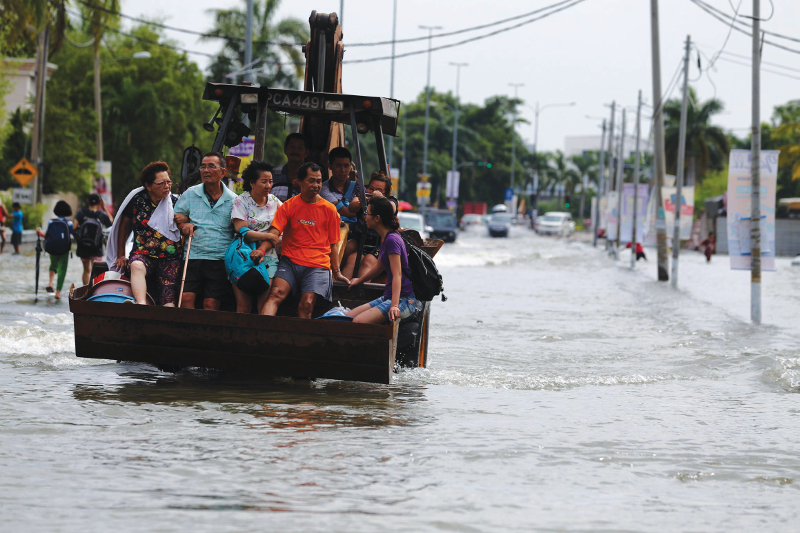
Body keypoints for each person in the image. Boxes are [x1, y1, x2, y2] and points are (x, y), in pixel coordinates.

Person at [261, 162, 349, 318]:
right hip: (290, 261)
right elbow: (274, 233)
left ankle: (301, 342)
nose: (316, 185)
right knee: (275, 294)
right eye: (311, 180)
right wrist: (261, 250)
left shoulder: (329, 210)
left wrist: (337, 272)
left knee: (307, 303)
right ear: (299, 182)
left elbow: (333, 245)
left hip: (318, 265)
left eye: (319, 181)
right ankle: (260, 336)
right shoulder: (289, 206)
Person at [113, 162, 183, 306]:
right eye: (161, 183)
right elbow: (124, 226)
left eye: (169, 182)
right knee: (136, 265)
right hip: (143, 254)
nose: (167, 186)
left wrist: (185, 221)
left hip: (170, 258)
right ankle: (141, 305)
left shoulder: (176, 203)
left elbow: (183, 226)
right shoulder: (136, 200)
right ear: (149, 185)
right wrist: (121, 255)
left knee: (168, 303)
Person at [174, 152, 236, 310]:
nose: (205, 170)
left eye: (211, 167)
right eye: (203, 167)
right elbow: (178, 217)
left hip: (219, 259)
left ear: (222, 172)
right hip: (193, 255)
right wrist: (184, 226)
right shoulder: (190, 193)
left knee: (211, 303)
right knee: (186, 299)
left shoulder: (234, 200)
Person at [347, 196, 417, 324]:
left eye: (367, 213)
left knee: (358, 322)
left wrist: (394, 306)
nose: (365, 217)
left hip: (404, 299)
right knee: (347, 317)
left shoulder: (392, 240)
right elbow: (380, 265)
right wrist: (360, 280)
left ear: (377, 218)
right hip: (388, 296)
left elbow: (397, 274)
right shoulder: (385, 237)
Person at [228, 160, 282, 313]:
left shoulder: (274, 201)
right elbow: (243, 232)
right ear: (252, 183)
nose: (268, 186)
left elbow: (288, 215)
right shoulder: (241, 201)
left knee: (264, 304)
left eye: (270, 181)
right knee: (243, 305)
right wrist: (268, 237)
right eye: (263, 181)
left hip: (268, 257)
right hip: (243, 256)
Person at [341, 171, 392, 279]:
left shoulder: (390, 202)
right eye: (371, 188)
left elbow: (392, 207)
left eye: (378, 191)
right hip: (360, 240)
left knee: (367, 262)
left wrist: (379, 201)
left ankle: (362, 293)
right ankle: (341, 289)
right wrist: (362, 202)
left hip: (379, 244)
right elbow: (352, 207)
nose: (373, 192)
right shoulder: (362, 198)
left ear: (386, 194)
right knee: (351, 258)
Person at [75, 193, 113, 285]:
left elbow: (74, 227)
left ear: (88, 201)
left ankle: (85, 291)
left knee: (86, 270)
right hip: (97, 246)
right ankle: (95, 291)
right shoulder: (101, 214)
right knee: (96, 271)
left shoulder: (81, 212)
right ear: (100, 202)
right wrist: (104, 208)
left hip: (83, 246)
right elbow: (112, 222)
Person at [42, 201, 74, 299]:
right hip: (64, 249)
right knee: (62, 269)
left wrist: (39, 232)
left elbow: (47, 236)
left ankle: (50, 283)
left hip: (52, 248)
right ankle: (58, 292)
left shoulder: (51, 221)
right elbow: (75, 233)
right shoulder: (69, 223)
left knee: (53, 265)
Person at [320, 147, 361, 219]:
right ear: (329, 166)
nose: (343, 170)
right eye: (338, 165)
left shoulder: (358, 187)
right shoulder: (323, 189)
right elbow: (343, 212)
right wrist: (363, 212)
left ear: (350, 166)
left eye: (346, 166)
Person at [272, 133, 309, 202]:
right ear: (285, 150)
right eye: (292, 147)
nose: (295, 151)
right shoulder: (274, 174)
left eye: (299, 148)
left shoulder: (311, 177)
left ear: (306, 153)